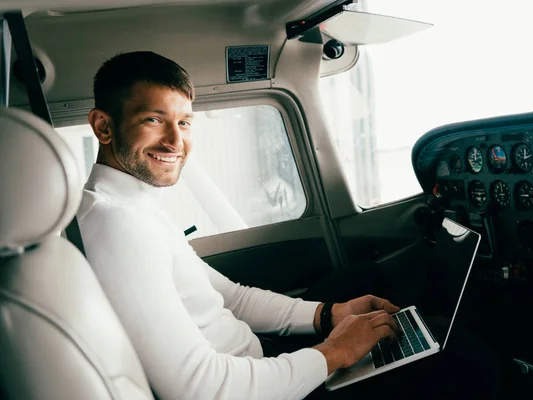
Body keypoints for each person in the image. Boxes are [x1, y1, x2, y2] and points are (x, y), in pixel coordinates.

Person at [76, 51, 403, 400]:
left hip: (257, 359)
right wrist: (336, 353)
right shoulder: (114, 224)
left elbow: (232, 298)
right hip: (246, 383)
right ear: (103, 127)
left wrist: (330, 315)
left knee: (366, 279)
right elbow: (200, 388)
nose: (175, 141)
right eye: (154, 120)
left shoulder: (136, 205)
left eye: (184, 123)